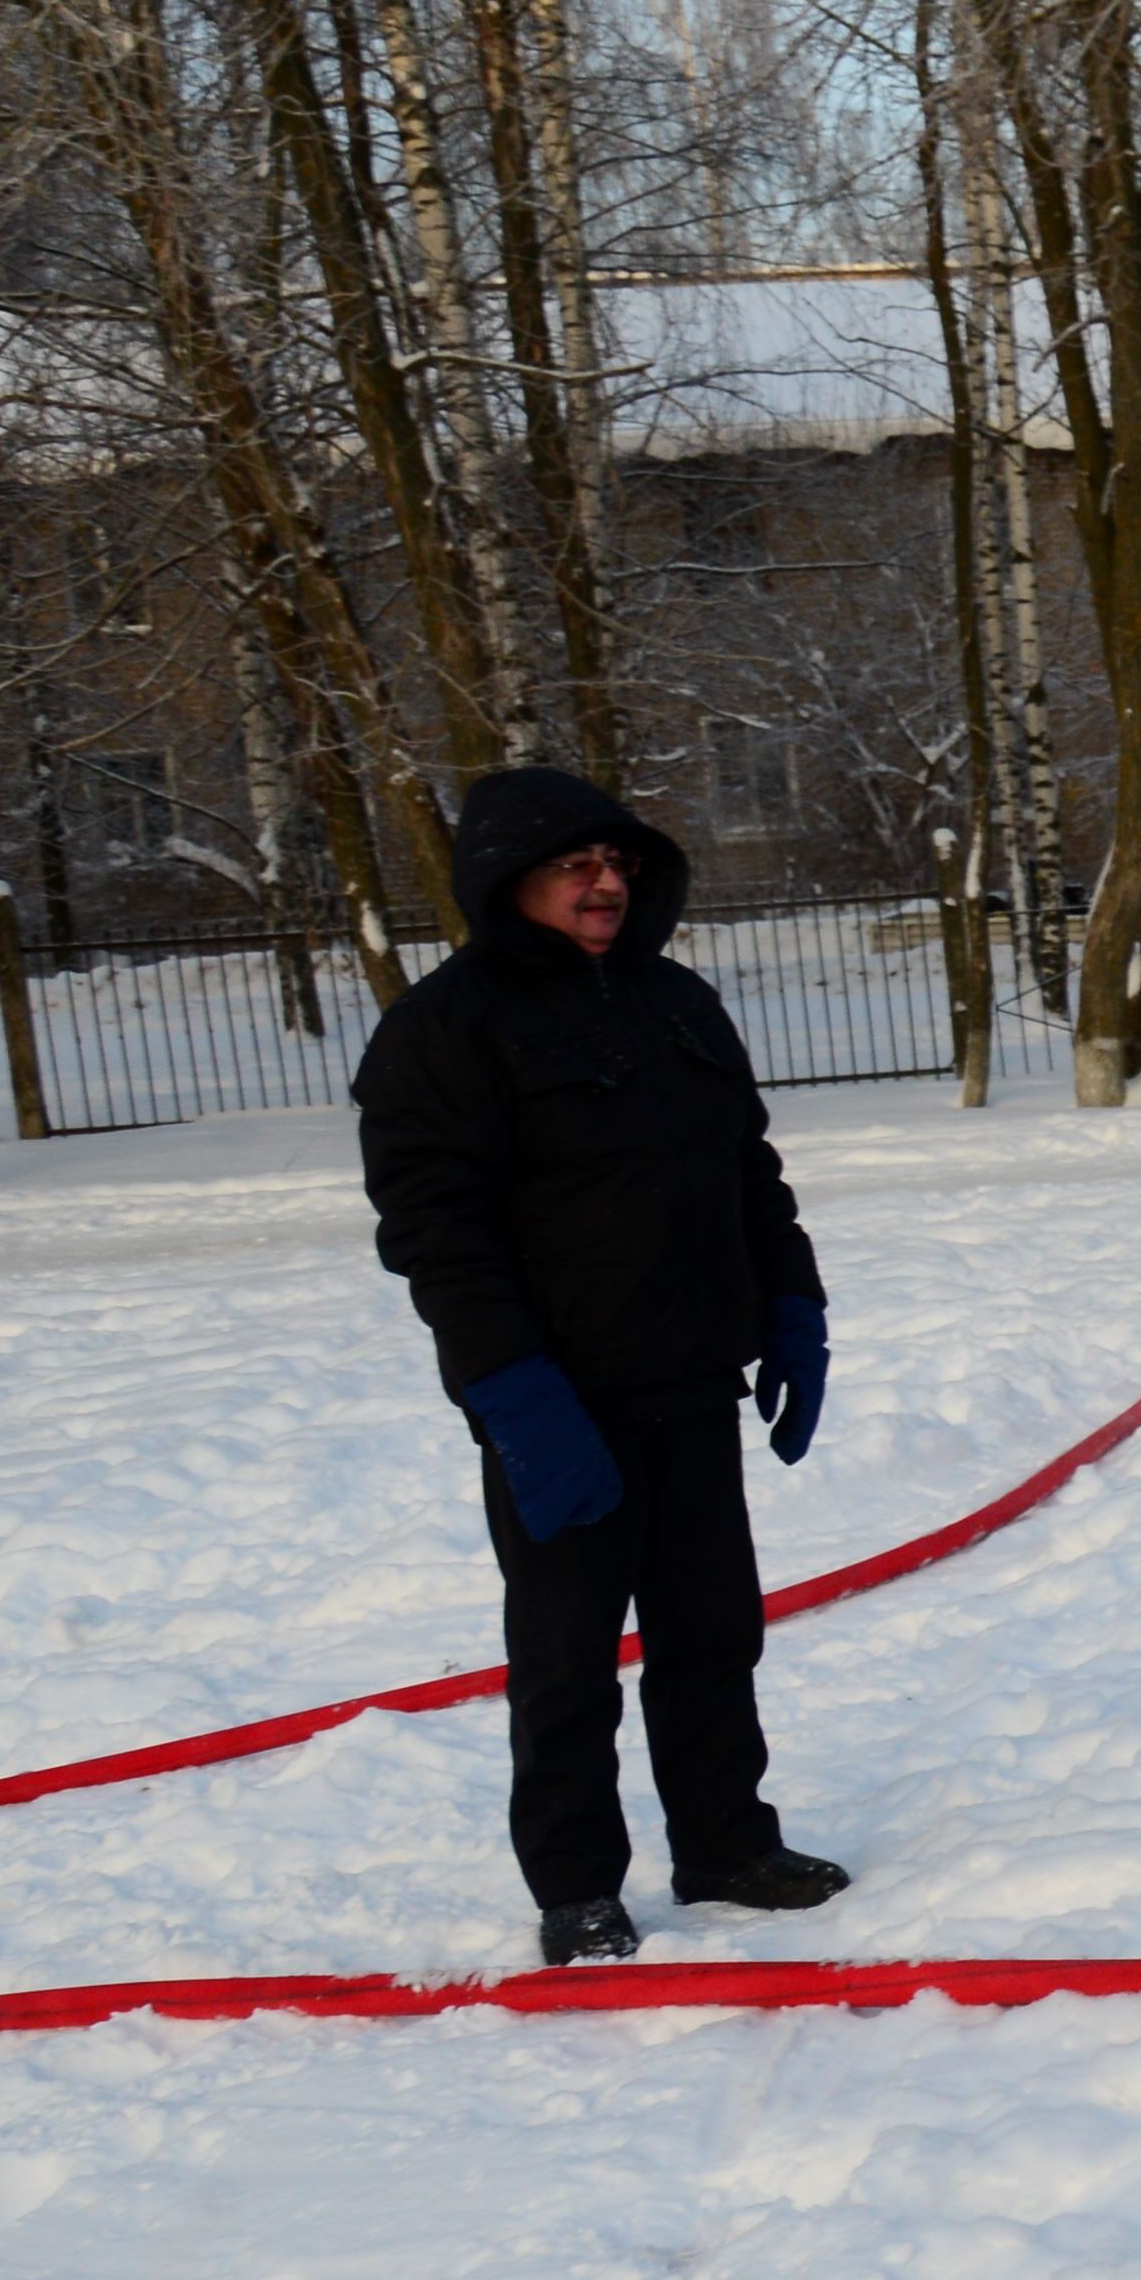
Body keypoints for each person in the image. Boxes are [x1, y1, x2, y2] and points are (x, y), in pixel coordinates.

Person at [352, 767, 852, 1967]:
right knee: (568, 1658)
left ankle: (727, 1843)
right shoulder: (444, 1031)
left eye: (618, 862)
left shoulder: (674, 1003)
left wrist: (792, 1306)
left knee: (712, 1633)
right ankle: (577, 1885)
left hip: (690, 1382)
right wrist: (513, 1394)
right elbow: (437, 1234)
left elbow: (749, 1174)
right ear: (507, 879)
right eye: (578, 863)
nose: (607, 881)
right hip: (558, 1399)